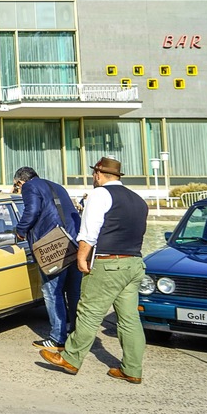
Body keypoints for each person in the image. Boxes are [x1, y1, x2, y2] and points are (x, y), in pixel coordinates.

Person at [39, 157, 149, 384]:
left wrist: (81, 258)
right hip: (134, 263)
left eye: (93, 175)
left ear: (98, 174)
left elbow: (89, 232)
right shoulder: (138, 200)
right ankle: (132, 369)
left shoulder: (100, 195)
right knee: (129, 319)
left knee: (88, 312)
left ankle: (70, 358)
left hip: (109, 262)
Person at [13, 166, 83, 351]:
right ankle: (76, 333)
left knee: (52, 291)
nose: (17, 190)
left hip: (52, 244)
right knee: (73, 291)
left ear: (21, 181)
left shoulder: (29, 187)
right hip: (73, 242)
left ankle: (57, 338)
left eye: (16, 186)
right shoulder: (56, 185)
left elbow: (32, 211)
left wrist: (20, 231)